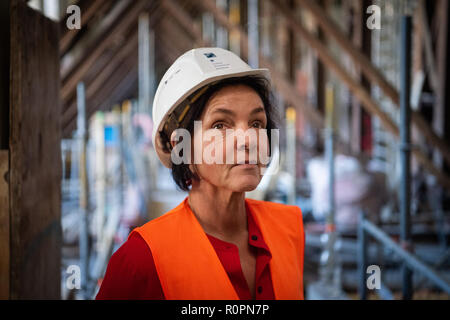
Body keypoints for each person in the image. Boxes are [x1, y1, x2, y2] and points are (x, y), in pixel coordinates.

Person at [96, 47, 305, 300]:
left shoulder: (288, 229)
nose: (248, 139)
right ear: (181, 147)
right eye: (220, 125)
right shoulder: (142, 259)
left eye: (256, 123)